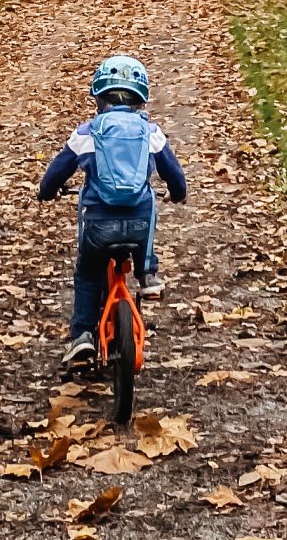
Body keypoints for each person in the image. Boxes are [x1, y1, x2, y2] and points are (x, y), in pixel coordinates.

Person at [38, 53, 186, 372]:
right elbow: (175, 175)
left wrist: (47, 192)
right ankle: (148, 274)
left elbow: (56, 173)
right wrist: (178, 194)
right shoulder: (151, 133)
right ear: (141, 100)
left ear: (99, 97)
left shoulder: (87, 132)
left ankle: (81, 337)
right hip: (138, 224)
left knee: (88, 273)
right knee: (143, 229)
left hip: (98, 226)